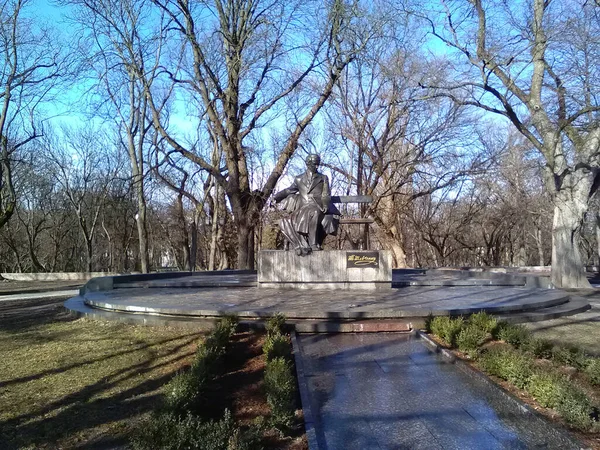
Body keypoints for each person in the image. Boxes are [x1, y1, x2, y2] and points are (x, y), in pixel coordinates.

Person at [274, 154, 339, 255]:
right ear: (308, 164)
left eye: (318, 164)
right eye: (314, 164)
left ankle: (313, 243)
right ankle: (311, 243)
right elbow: (289, 190)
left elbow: (326, 194)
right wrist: (277, 197)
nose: (317, 166)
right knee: (311, 212)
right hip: (304, 207)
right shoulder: (299, 179)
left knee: (316, 212)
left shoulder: (323, 178)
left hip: (319, 206)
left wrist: (326, 205)